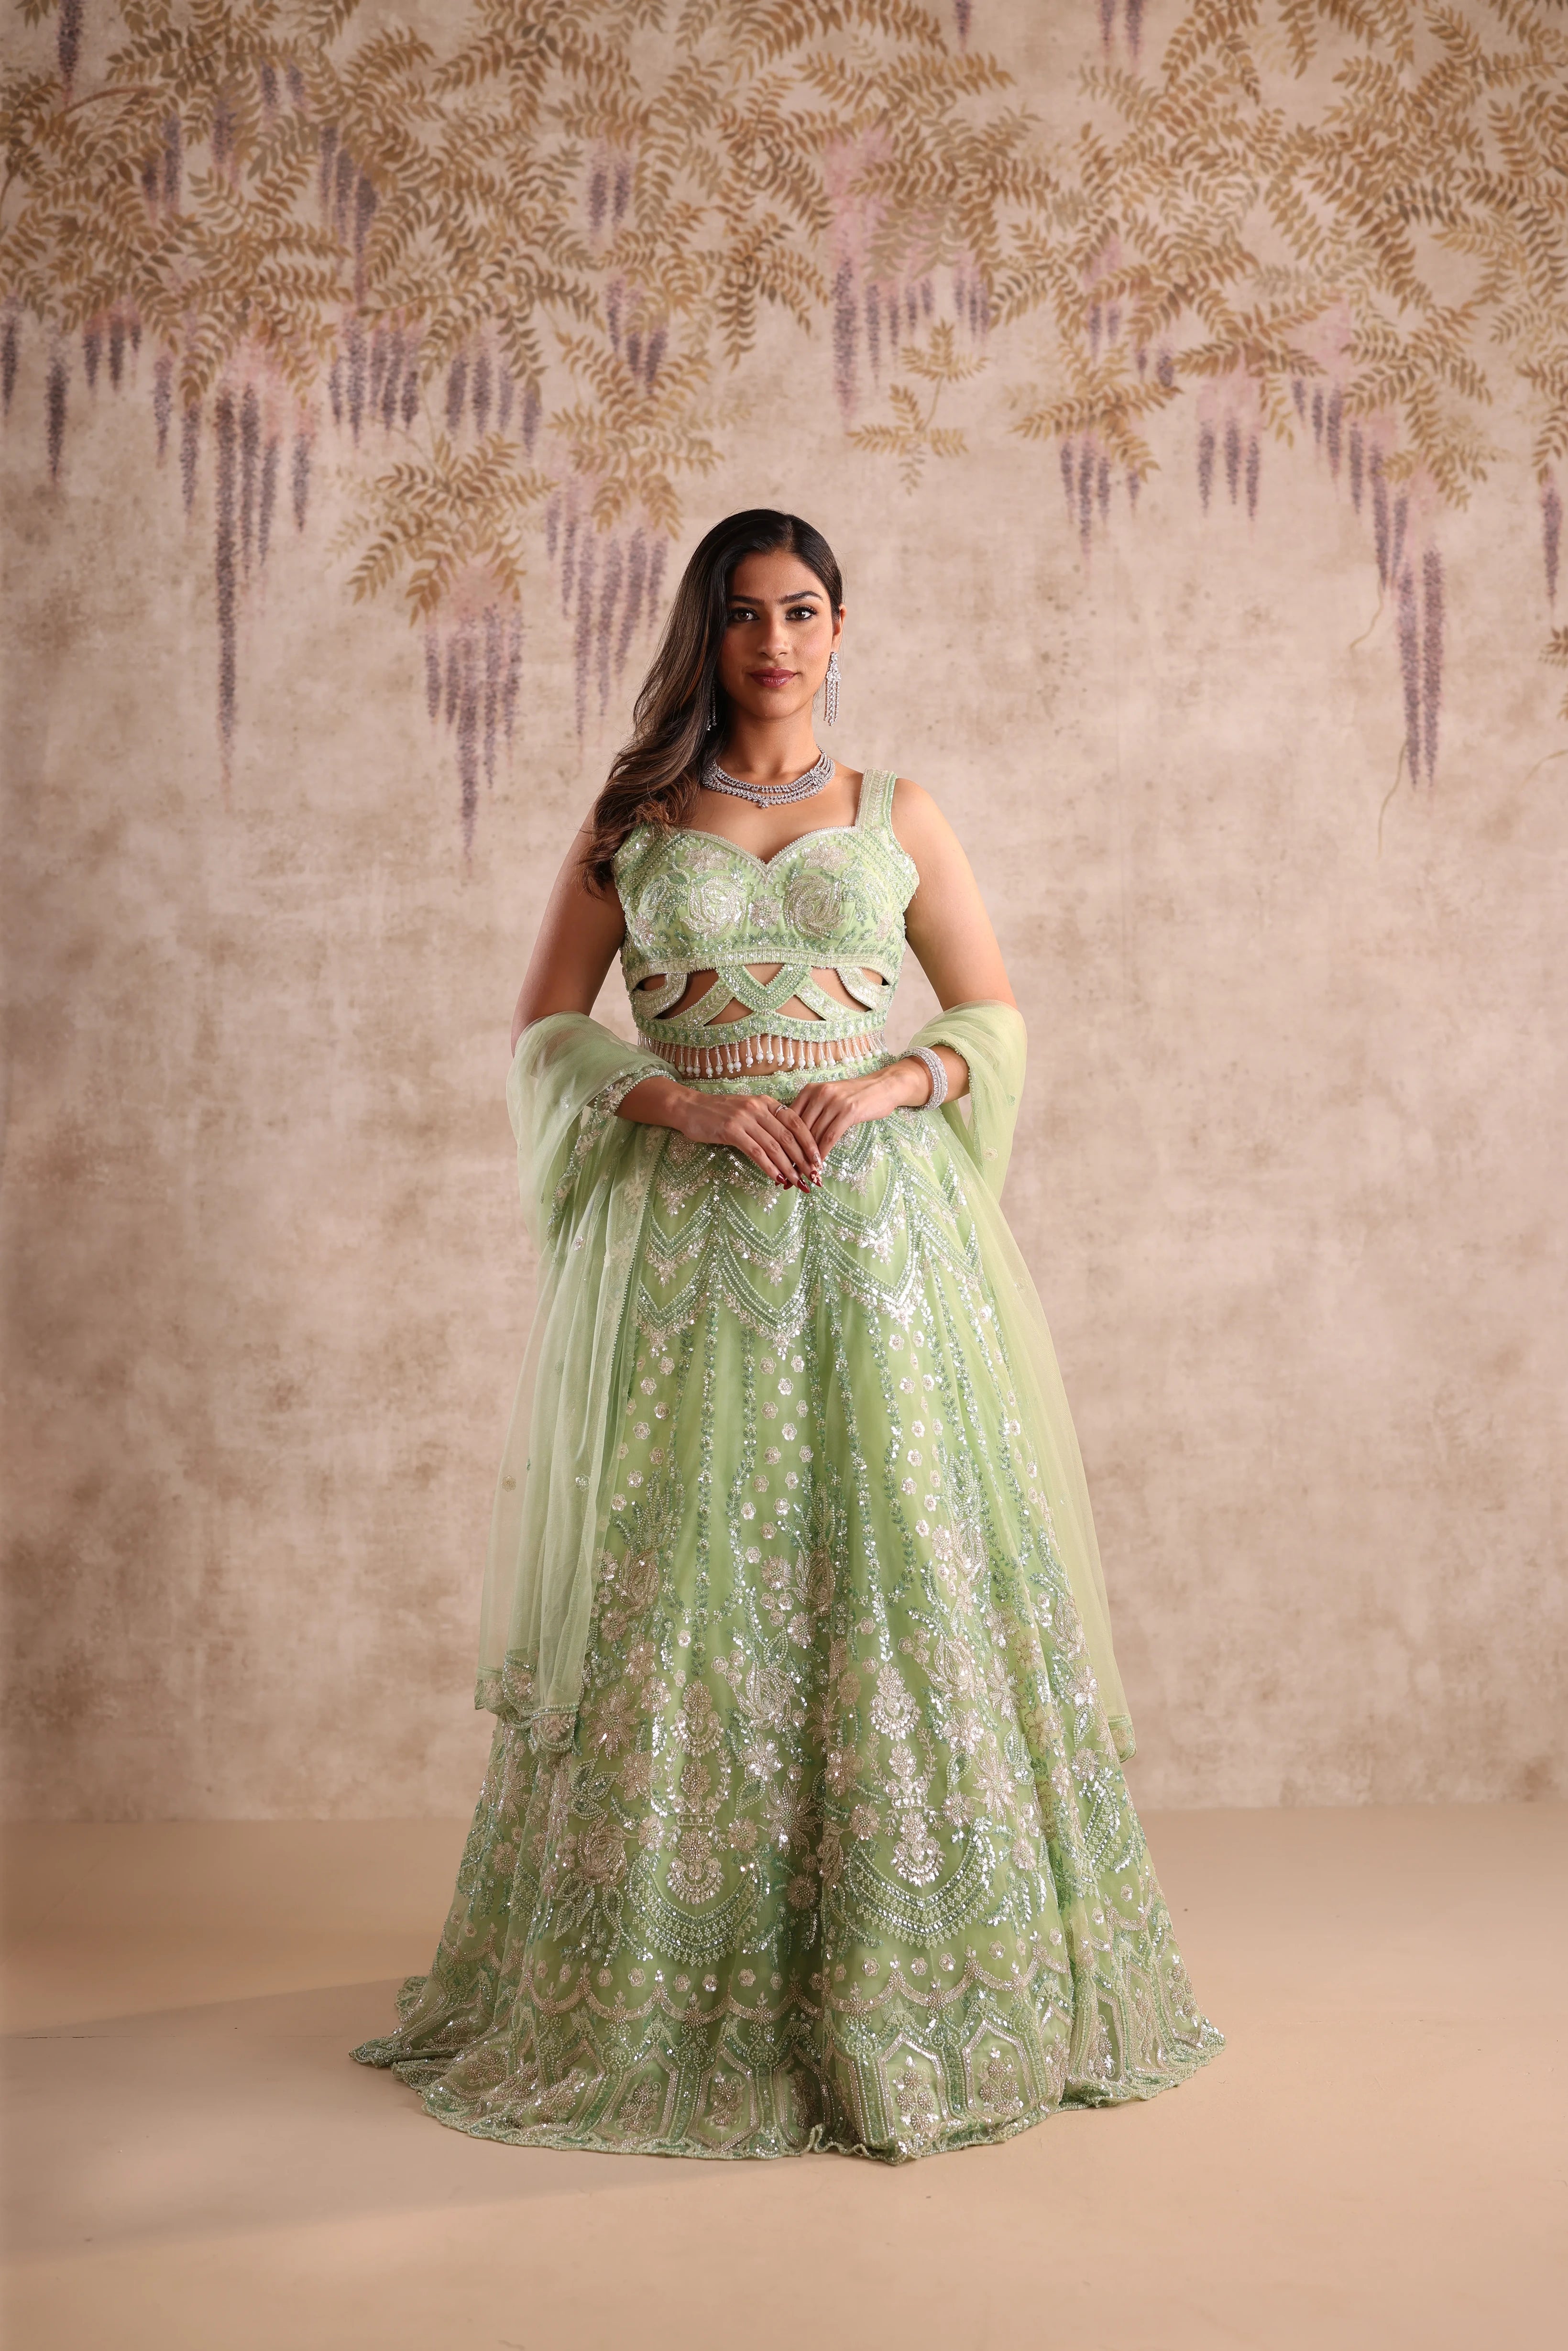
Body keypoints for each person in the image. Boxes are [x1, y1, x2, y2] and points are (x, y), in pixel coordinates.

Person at [353, 508, 1222, 2160]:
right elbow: (544, 1031)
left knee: (898, 1562)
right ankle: (675, 1992)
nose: (775, 641)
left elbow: (990, 1016)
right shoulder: (631, 822)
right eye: (745, 613)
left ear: (842, 628)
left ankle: (920, 1974)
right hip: (689, 1248)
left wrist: (891, 1077)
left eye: (803, 610)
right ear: (709, 630)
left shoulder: (896, 816)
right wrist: (673, 1097)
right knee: (689, 1576)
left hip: (878, 1236)